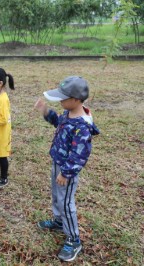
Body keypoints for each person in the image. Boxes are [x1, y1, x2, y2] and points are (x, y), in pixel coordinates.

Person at [34, 76, 100, 262]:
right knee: (56, 195)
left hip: (67, 170)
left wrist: (66, 173)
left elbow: (80, 154)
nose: (60, 101)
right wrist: (46, 111)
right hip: (58, 163)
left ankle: (74, 239)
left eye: (63, 98)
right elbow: (58, 122)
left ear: (76, 100)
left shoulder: (83, 126)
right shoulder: (68, 113)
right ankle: (58, 221)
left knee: (65, 202)